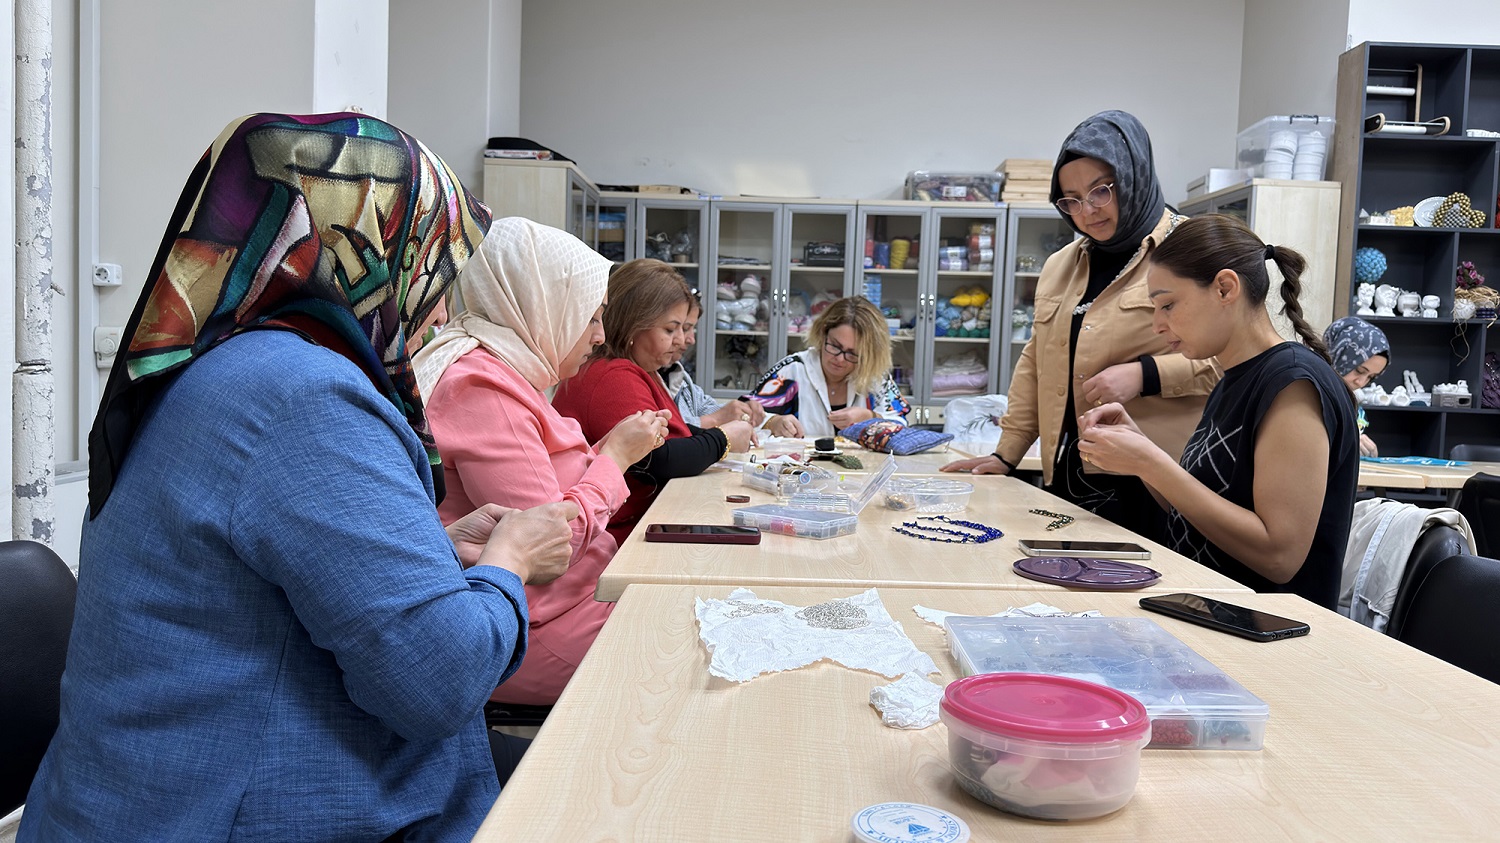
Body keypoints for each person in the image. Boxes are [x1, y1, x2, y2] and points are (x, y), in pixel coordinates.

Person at [19, 113, 577, 842]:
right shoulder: (305, 395)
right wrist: (510, 563)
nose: (441, 309)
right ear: (369, 250)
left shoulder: (220, 368)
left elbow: (271, 569)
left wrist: (438, 550)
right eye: (435, 268)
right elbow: (437, 683)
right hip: (227, 810)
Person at [415, 217, 669, 706]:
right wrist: (614, 457)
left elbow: (549, 486)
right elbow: (551, 544)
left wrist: (606, 455)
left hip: (565, 603)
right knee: (677, 656)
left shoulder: (511, 372)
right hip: (539, 622)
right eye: (590, 317)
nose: (599, 335)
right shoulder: (482, 386)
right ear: (546, 307)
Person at [942, 110, 1221, 538]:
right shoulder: (1062, 265)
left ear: (1134, 177)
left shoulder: (1189, 250)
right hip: (1073, 471)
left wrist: (1146, 375)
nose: (1086, 211)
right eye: (1070, 199)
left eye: (1100, 191)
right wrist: (1007, 454)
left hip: (1160, 481)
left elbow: (1237, 360)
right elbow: (1037, 361)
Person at [1075, 215, 1358, 609]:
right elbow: (1199, 509)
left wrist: (1154, 464)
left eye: (1168, 305)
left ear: (1225, 288)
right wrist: (1138, 448)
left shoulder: (1293, 383)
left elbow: (1279, 557)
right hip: (1206, 616)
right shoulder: (1231, 380)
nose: (1158, 324)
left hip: (1264, 638)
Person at [553, 258, 756, 544]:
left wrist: (710, 435)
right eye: (671, 330)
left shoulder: (638, 371)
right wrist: (721, 440)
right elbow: (657, 458)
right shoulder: (612, 375)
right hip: (614, 538)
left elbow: (669, 434)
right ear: (635, 325)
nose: (682, 340)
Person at [752, 295, 909, 438]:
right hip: (801, 467)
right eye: (835, 346)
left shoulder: (875, 376)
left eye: (853, 353)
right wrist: (772, 422)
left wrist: (870, 417)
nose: (840, 359)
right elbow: (744, 415)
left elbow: (902, 425)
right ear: (822, 333)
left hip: (864, 468)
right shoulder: (792, 370)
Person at [661, 293, 767, 429]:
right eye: (674, 329)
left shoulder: (676, 373)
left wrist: (745, 410)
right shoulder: (639, 377)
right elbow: (667, 435)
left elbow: (706, 407)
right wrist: (716, 420)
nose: (690, 339)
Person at [1322, 316, 1389, 457]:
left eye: (1371, 377)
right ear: (1338, 354)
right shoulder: (1306, 391)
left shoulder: (1350, 404)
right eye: (1359, 370)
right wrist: (1347, 443)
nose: (1361, 382)